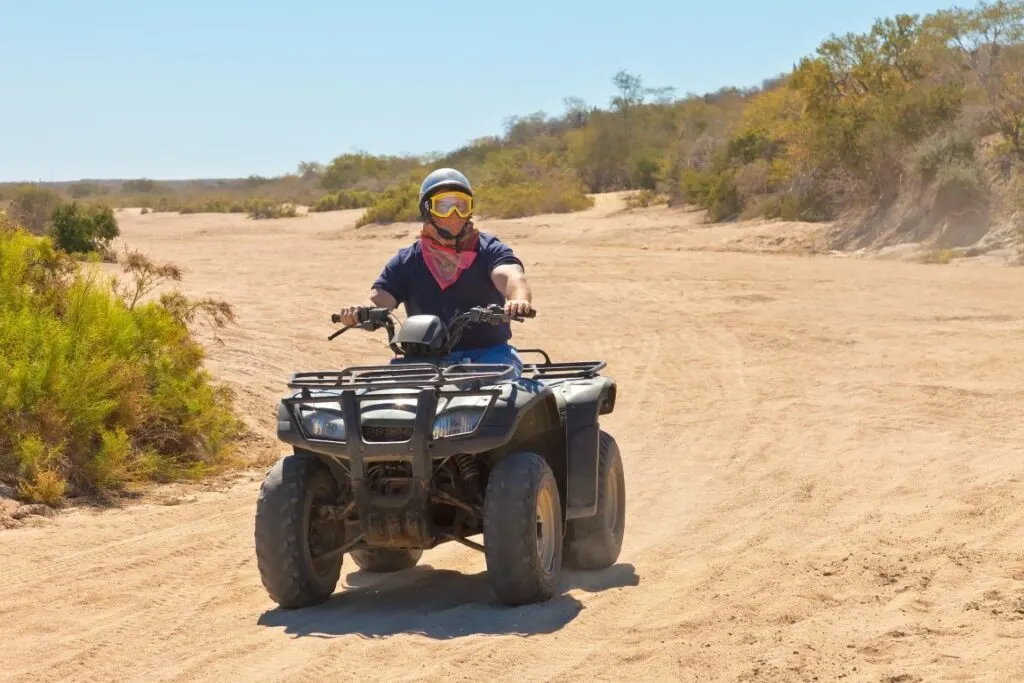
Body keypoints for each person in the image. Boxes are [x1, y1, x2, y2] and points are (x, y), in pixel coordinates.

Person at [336, 167, 534, 377]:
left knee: (498, 396)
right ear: (427, 210)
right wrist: (362, 310)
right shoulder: (408, 260)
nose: (454, 215)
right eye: (444, 206)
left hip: (489, 355)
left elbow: (511, 275)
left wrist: (518, 300)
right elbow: (381, 297)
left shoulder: (488, 249)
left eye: (461, 205)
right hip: (423, 359)